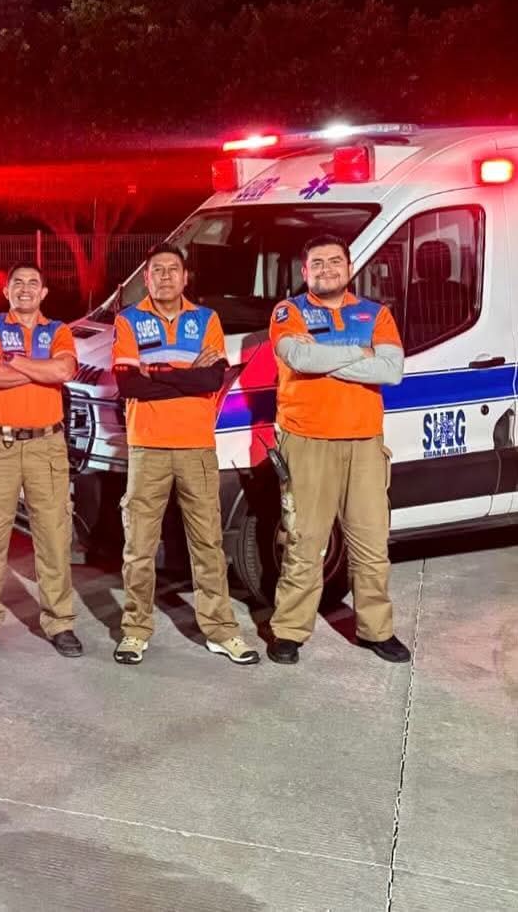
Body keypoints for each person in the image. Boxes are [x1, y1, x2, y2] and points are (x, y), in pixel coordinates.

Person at [111, 245, 258, 666]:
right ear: (146, 278)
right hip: (147, 447)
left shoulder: (205, 319)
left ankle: (221, 631)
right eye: (156, 270)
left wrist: (156, 370)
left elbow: (211, 379)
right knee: (139, 546)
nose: (164, 276)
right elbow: (129, 385)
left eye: (172, 269)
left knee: (207, 542)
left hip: (196, 447)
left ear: (185, 276)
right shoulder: (128, 320)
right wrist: (186, 372)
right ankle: (135, 630)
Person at [267, 235, 410, 665]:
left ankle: (376, 631)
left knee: (371, 544)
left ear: (349, 268)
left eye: (334, 261)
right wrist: (359, 353)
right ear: (304, 271)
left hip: (364, 444)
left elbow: (392, 370)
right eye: (317, 263)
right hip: (306, 441)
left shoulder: (376, 314)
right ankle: (289, 631)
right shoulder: (288, 312)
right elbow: (299, 359)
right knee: (304, 542)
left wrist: (325, 357)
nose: (326, 269)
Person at [0, 262, 82, 658]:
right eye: (18, 283)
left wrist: (12, 360)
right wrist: (40, 371)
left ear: (44, 292)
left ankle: (60, 622)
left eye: (33, 283)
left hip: (47, 445)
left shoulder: (58, 330)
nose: (26, 288)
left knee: (53, 535)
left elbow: (64, 369)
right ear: (7, 291)